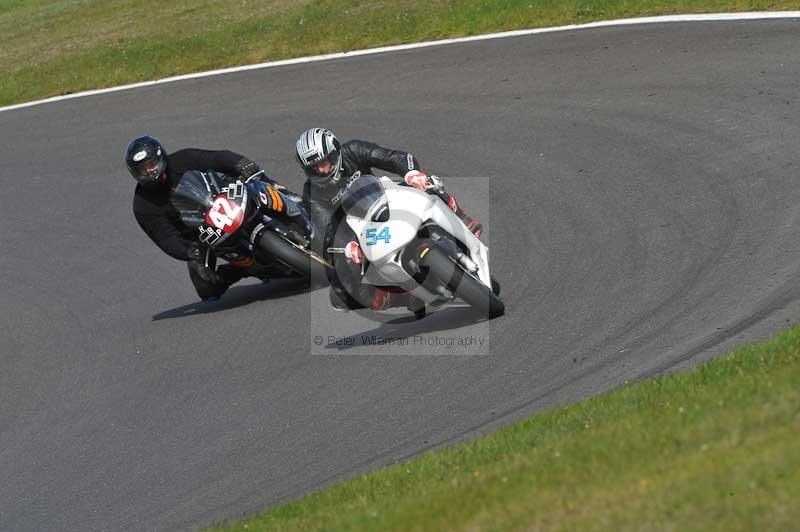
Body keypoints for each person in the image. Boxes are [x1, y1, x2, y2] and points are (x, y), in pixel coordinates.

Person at [294, 127, 482, 310]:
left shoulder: (353, 150)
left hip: (386, 196)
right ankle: (401, 297)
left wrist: (411, 173)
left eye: (326, 161)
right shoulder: (312, 193)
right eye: (315, 168)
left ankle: (461, 218)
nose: (322, 169)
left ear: (336, 151)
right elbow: (324, 229)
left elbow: (393, 157)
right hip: (359, 230)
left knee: (428, 183)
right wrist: (346, 247)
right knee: (341, 290)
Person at [126, 135, 288, 301]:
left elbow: (215, 158)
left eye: (151, 165)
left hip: (225, 198)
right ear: (135, 174)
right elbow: (165, 238)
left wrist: (240, 163)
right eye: (142, 170)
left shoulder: (182, 159)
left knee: (260, 182)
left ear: (161, 158)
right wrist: (188, 251)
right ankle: (243, 269)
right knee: (206, 288)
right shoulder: (143, 205)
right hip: (202, 235)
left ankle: (292, 202)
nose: (149, 172)